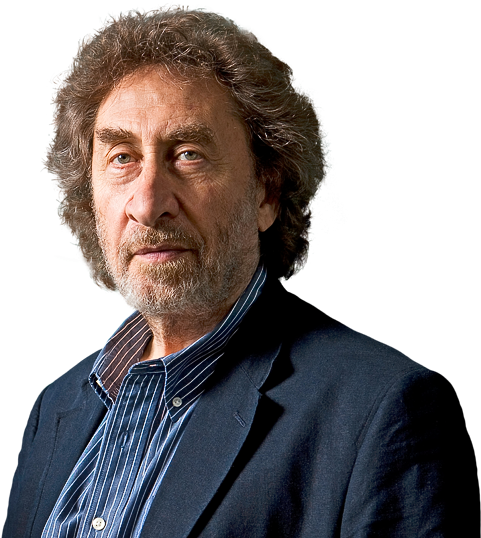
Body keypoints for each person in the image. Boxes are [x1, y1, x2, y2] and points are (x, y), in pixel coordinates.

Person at [4, 5, 479, 537]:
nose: (148, 203)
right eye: (121, 158)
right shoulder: (54, 408)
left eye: (188, 154)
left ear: (266, 193)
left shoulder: (382, 410)